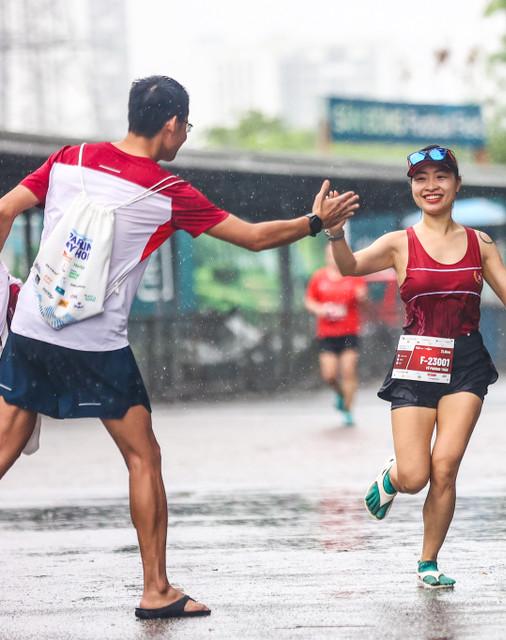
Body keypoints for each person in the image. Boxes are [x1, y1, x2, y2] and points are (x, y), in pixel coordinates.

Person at [0, 75, 359, 619]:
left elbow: (4, 211)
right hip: (97, 345)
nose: (185, 136)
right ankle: (156, 590)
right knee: (143, 457)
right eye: (186, 126)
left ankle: (159, 588)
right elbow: (255, 236)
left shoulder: (69, 158)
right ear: (171, 123)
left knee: (8, 440)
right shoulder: (168, 194)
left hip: (32, 327)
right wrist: (316, 221)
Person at [324, 144, 506, 588]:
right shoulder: (398, 244)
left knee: (445, 467)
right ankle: (392, 476)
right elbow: (348, 267)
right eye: (421, 179)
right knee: (416, 475)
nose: (431, 186)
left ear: (457, 184)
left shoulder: (480, 243)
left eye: (441, 176)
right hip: (417, 362)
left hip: (466, 363)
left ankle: (429, 562)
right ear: (412, 189)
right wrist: (335, 233)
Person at [304, 243, 369, 426]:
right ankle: (340, 395)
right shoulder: (319, 277)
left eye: (336, 254)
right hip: (327, 333)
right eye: (329, 255)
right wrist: (321, 309)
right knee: (329, 375)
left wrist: (362, 297)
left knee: (348, 371)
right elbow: (309, 301)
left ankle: (348, 410)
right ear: (326, 257)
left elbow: (365, 303)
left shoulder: (354, 275)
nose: (333, 258)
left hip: (350, 332)